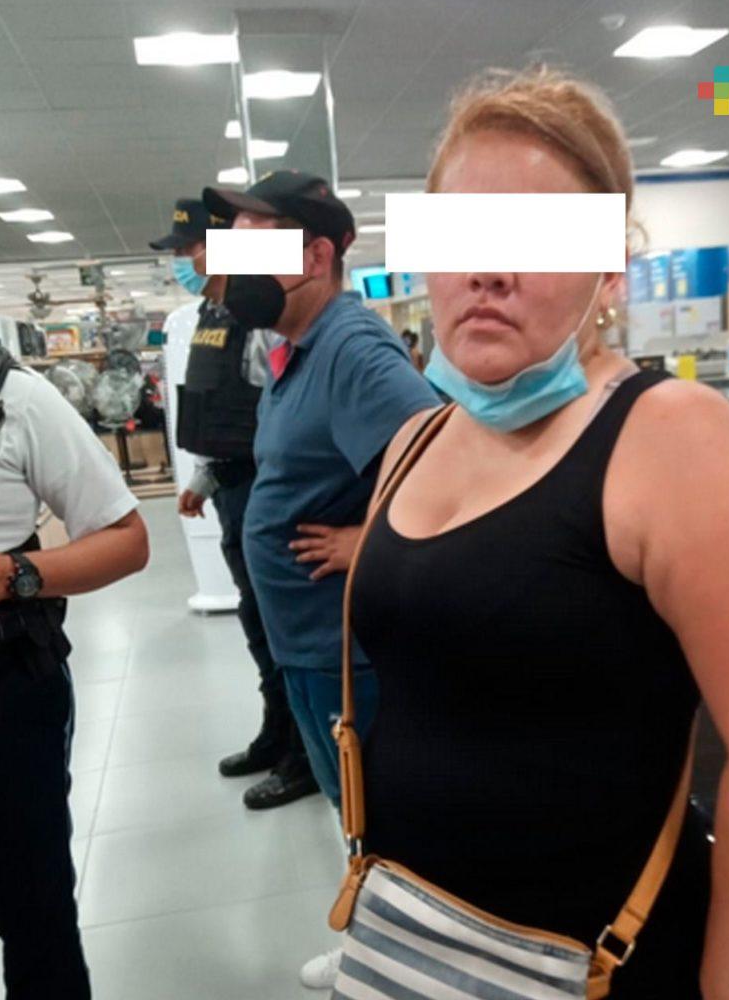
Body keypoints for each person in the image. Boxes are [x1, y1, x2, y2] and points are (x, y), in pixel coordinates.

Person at [345, 67, 729, 1000]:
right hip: (413, 938)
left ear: (610, 270)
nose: (488, 271)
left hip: (599, 964)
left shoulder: (672, 438)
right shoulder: (415, 440)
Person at [201, 169, 440, 988]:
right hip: (308, 647)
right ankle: (377, 937)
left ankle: (411, 963)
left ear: (317, 257)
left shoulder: (351, 348)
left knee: (387, 819)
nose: (234, 273)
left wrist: (366, 539)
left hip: (351, 656)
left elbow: (445, 465)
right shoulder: (297, 351)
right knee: (355, 814)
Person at [150, 198, 317, 811]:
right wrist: (203, 477)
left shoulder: (262, 321)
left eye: (190, 247)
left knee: (281, 624)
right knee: (255, 620)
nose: (183, 260)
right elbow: (219, 408)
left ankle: (305, 753)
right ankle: (277, 732)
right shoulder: (211, 314)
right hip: (231, 488)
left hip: (266, 490)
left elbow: (283, 416)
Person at [0, 346, 149, 998]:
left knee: (33, 910)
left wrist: (13, 575)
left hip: (8, 685)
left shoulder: (19, 400)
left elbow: (127, 540)